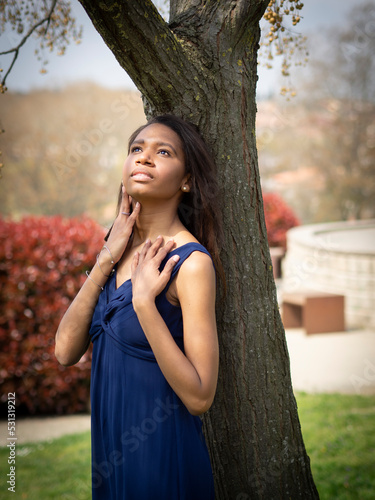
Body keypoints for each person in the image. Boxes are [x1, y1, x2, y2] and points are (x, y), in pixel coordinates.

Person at [55, 114, 224, 499]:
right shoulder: (114, 253)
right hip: (110, 458)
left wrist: (145, 304)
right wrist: (104, 260)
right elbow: (65, 351)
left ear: (187, 180)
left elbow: (200, 397)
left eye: (162, 152)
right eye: (137, 149)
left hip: (162, 462)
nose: (144, 158)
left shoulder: (192, 264)